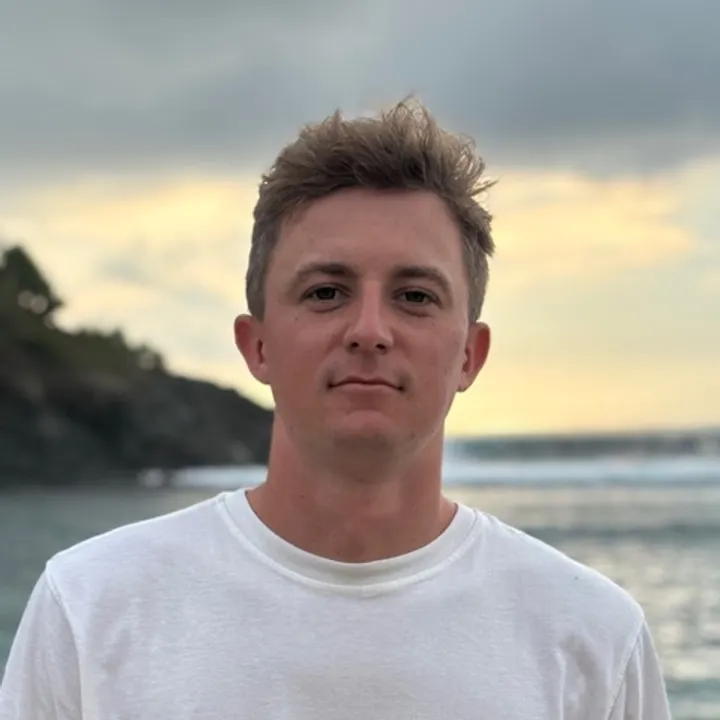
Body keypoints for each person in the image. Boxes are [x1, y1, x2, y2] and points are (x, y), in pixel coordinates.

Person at [0, 98, 672, 719]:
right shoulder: (90, 609)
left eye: (415, 296)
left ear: (471, 354)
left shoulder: (593, 638)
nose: (369, 330)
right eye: (326, 292)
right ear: (257, 345)